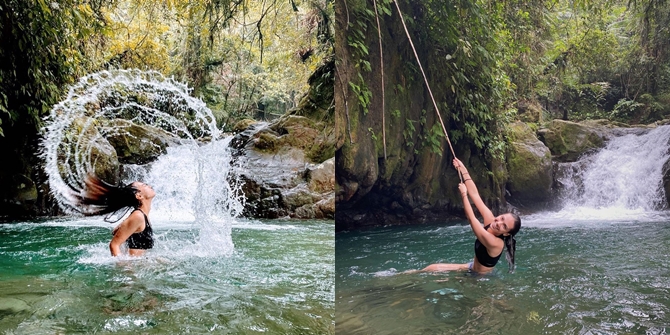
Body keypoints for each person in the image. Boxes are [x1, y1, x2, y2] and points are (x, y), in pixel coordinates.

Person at [419, 158, 521, 274]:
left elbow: (471, 219)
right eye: (501, 218)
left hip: (479, 278)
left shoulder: (496, 243)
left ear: (507, 233)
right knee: (431, 268)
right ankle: (407, 275)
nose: (498, 223)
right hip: (471, 266)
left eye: (504, 226)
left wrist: (463, 194)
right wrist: (462, 168)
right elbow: (475, 195)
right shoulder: (491, 220)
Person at [72, 175, 156, 257]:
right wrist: (123, 267)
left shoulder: (142, 215)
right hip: (132, 267)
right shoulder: (138, 216)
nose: (149, 186)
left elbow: (116, 231)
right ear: (139, 196)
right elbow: (114, 245)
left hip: (140, 263)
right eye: (145, 185)